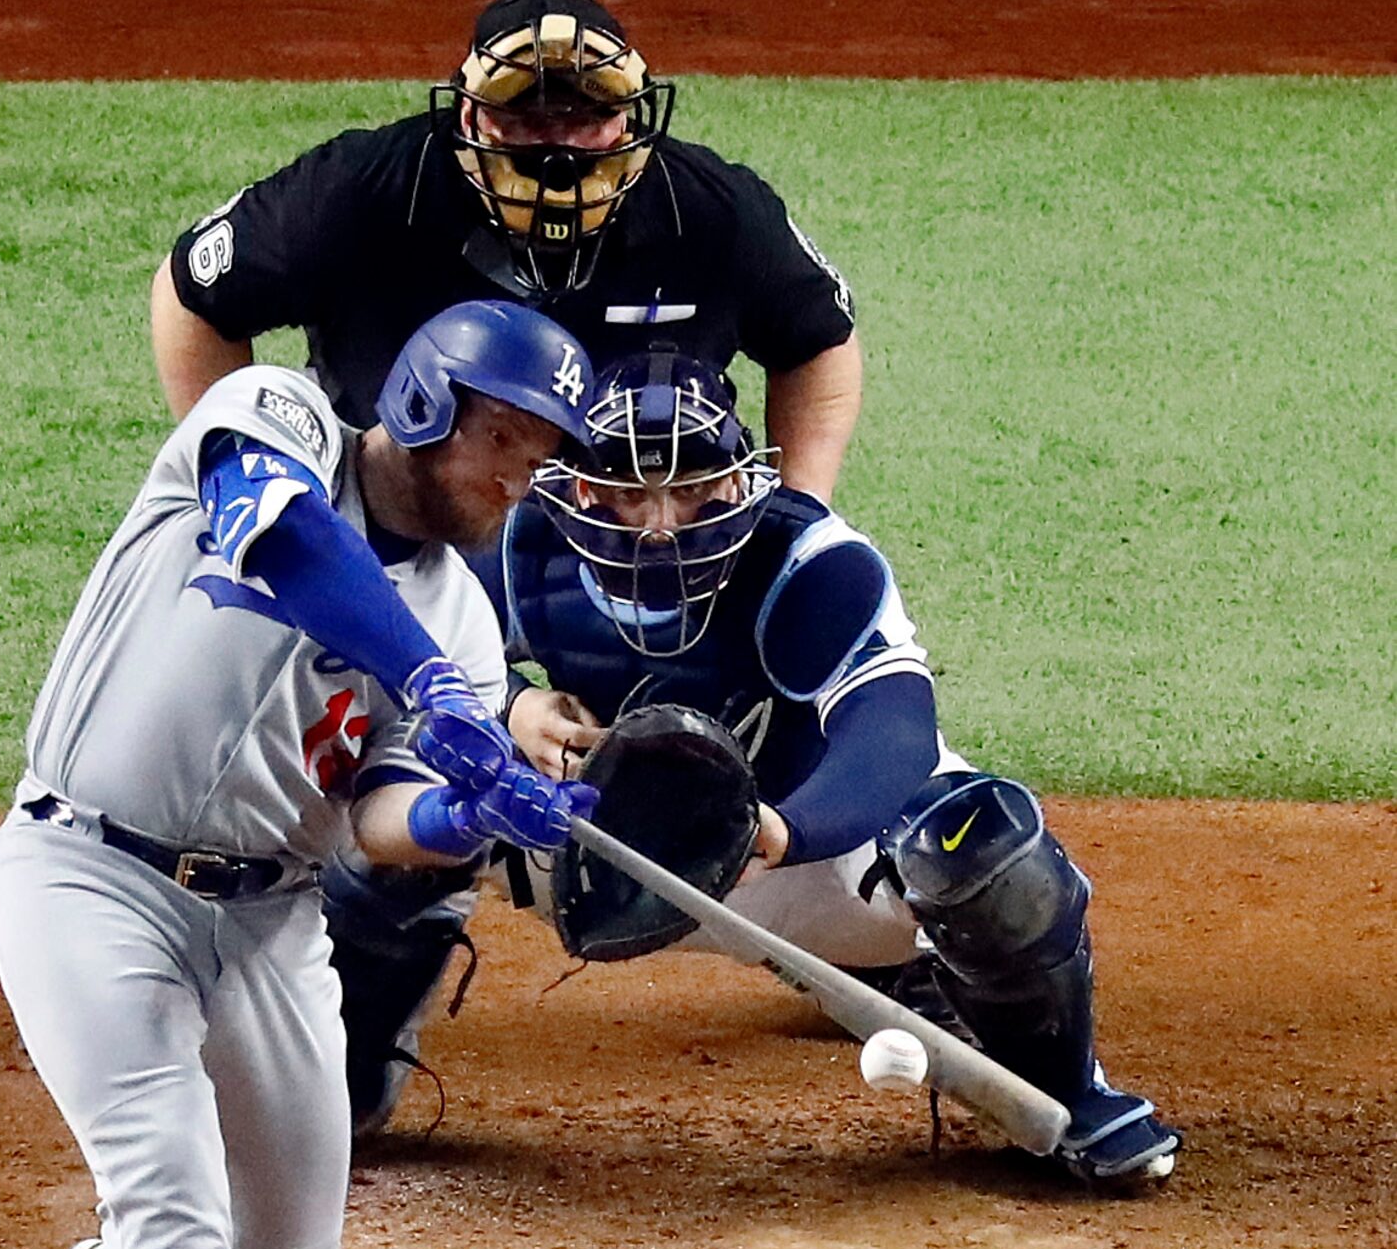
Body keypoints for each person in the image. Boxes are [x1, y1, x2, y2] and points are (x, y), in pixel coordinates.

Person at [0, 300, 602, 1249]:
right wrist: (429, 679)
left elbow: (379, 808)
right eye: (510, 443)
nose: (523, 482)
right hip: (88, 874)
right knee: (169, 1192)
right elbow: (281, 534)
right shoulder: (271, 422)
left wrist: (461, 816)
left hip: (267, 922)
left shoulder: (462, 613)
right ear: (432, 407)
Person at [338, 350, 1181, 1188]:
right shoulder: (517, 551)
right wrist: (510, 706)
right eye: (629, 491)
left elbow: (892, 732)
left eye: (692, 487)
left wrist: (786, 830)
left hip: (790, 862)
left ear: (741, 480)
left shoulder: (810, 560)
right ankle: (344, 1066)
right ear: (582, 490)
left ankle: (1063, 1085)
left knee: (979, 843)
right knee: (389, 780)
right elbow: (396, 664)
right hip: (591, 847)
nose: (661, 521)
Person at [152, 0, 862, 506]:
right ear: (471, 115)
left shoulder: (711, 209)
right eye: (527, 116)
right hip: (402, 533)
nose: (559, 145)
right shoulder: (362, 190)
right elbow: (193, 293)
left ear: (626, 118)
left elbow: (819, 337)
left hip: (648, 535)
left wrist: (803, 507)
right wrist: (238, 471)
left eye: (586, 114)